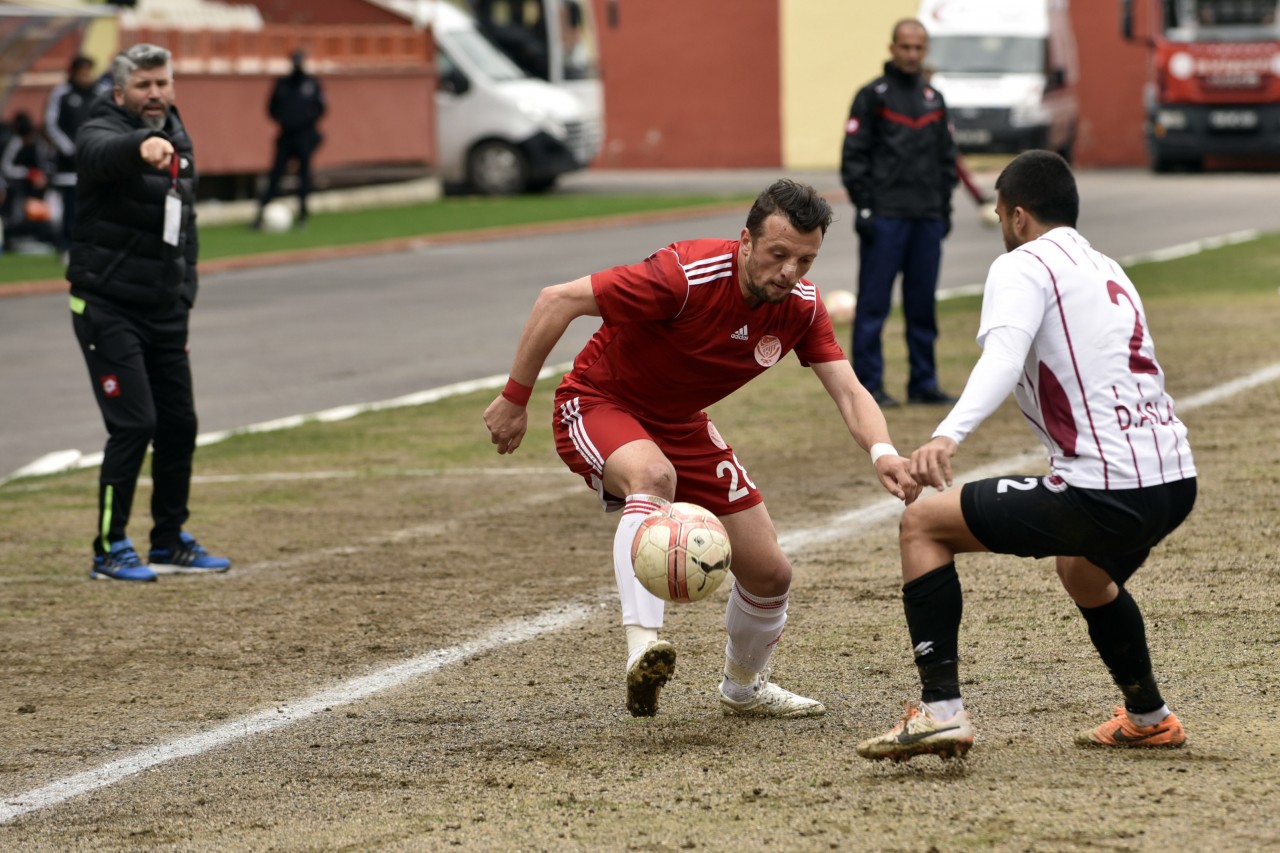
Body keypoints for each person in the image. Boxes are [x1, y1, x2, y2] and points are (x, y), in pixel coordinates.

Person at [484, 179, 920, 718]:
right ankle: (643, 649)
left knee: (770, 573)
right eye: (778, 255)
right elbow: (559, 299)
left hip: (681, 425)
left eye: (805, 261)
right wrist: (513, 398)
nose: (790, 272)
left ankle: (744, 687)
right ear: (745, 241)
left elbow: (850, 391)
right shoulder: (683, 277)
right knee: (653, 478)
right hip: (599, 401)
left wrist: (884, 452)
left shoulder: (801, 308)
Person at [855, 150, 1197, 762]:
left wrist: (945, 436)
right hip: (1174, 482)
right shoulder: (1106, 265)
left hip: (1107, 489)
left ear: (1016, 217)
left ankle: (941, 713)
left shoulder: (1023, 264)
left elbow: (1004, 358)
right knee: (1082, 571)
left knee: (922, 524)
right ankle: (1148, 716)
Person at [67, 43, 230, 582]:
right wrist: (142, 146)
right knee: (135, 423)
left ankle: (168, 541)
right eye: (143, 85)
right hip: (107, 305)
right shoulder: (102, 129)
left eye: (162, 83)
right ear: (120, 93)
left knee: (180, 425)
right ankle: (110, 546)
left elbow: (184, 227)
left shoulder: (179, 134)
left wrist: (184, 296)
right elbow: (97, 154)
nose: (155, 93)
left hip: (164, 310)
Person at [840, 18, 958, 408]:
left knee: (921, 306)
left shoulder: (933, 98)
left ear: (925, 51)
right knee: (874, 306)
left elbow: (946, 160)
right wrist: (866, 206)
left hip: (926, 217)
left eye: (917, 48)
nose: (910, 54)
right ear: (892, 48)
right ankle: (868, 386)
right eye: (904, 47)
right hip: (886, 216)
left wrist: (943, 210)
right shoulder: (872, 96)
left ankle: (923, 382)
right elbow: (853, 158)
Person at [253, 50, 326, 229]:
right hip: (286, 136)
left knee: (304, 176)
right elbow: (271, 108)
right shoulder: (282, 84)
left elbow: (321, 108)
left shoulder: (311, 83)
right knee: (275, 176)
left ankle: (303, 215)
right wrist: (285, 121)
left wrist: (306, 122)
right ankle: (260, 215)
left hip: (304, 135)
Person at [44, 54, 99, 257]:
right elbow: (50, 124)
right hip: (68, 165)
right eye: (82, 72)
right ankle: (67, 246)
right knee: (70, 207)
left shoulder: (99, 93)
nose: (85, 76)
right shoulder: (61, 94)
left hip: (93, 162)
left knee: (94, 207)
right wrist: (70, 149)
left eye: (88, 72)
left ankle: (91, 246)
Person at [0, 111, 56, 253]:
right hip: (16, 188)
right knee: (16, 215)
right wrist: (28, 173)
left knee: (43, 214)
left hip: (37, 189)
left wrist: (43, 176)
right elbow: (6, 167)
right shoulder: (14, 142)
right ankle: (11, 241)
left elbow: (47, 165)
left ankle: (43, 238)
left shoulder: (38, 143)